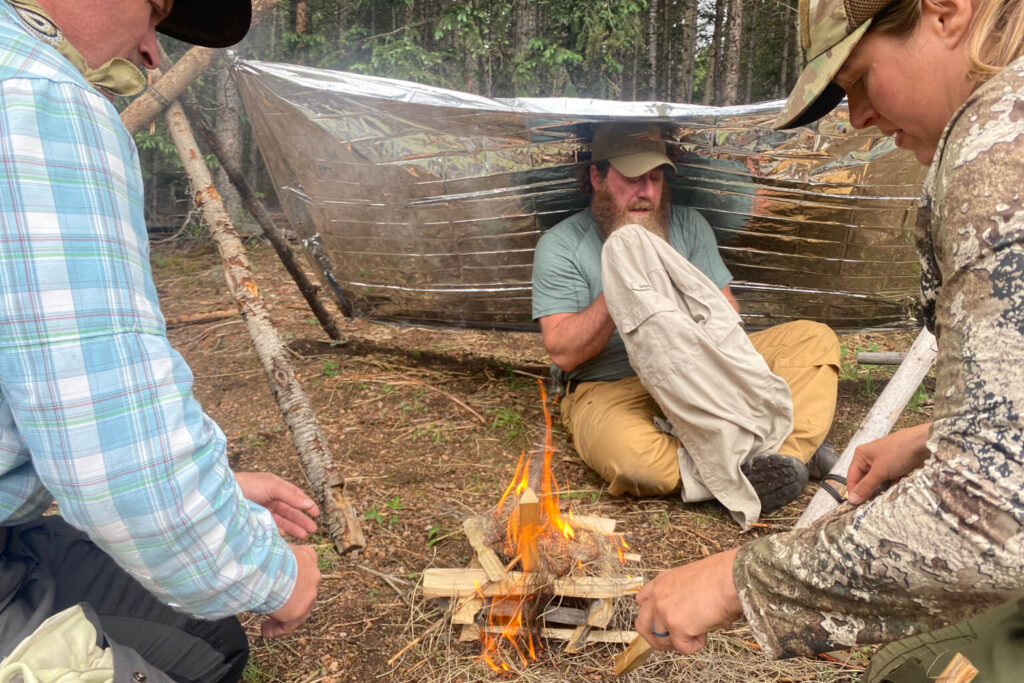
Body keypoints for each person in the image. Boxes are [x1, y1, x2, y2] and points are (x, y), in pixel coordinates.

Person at [634, 0, 1024, 679]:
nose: (859, 117)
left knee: (914, 669)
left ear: (947, 13)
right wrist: (935, 435)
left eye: (861, 79)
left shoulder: (999, 152)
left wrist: (735, 582)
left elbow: (988, 516)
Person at [0, 1, 322, 681]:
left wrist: (217, 490)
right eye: (156, 11)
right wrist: (272, 571)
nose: (153, 51)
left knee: (207, 636)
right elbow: (117, 465)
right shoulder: (35, 96)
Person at [531, 121, 840, 529]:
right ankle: (757, 457)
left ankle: (781, 456)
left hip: (699, 369)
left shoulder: (688, 226)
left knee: (814, 341)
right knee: (631, 458)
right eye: (632, 178)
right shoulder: (561, 245)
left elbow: (726, 317)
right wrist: (624, 286)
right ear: (597, 176)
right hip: (611, 387)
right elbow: (563, 352)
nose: (647, 193)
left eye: (655, 178)